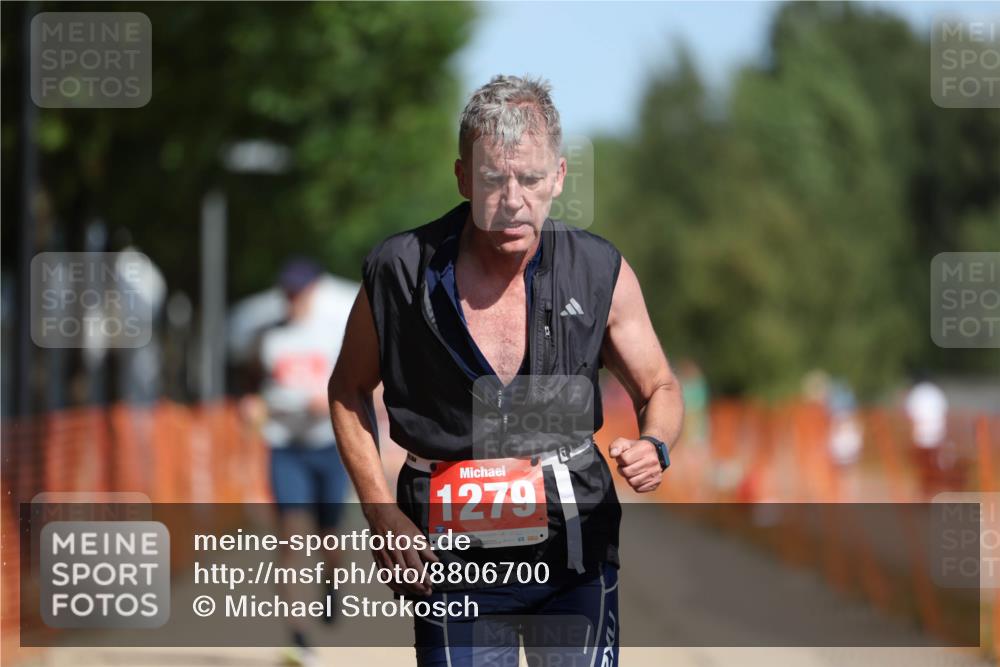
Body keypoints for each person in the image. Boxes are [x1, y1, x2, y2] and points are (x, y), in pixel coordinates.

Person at [329, 75, 683, 666]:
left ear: (560, 178)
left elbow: (660, 387)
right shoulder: (399, 270)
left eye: (531, 179)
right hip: (446, 554)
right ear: (464, 177)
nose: (513, 198)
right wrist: (378, 509)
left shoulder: (599, 270)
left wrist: (657, 443)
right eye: (494, 179)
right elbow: (347, 390)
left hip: (575, 550)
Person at [242, 258, 350, 667]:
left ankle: (332, 581)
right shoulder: (266, 338)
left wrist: (329, 403)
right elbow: (249, 384)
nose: (293, 299)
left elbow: (353, 385)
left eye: (299, 291)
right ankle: (299, 636)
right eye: (287, 291)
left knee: (330, 538)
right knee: (291, 537)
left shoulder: (333, 335)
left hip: (328, 446)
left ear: (313, 291)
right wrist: (249, 405)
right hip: (284, 447)